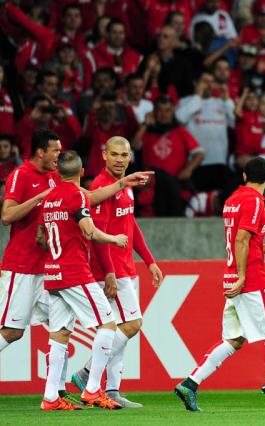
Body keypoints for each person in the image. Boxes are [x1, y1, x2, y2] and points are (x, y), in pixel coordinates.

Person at [174, 157, 265, 412]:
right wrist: (243, 276)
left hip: (234, 278)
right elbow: (241, 240)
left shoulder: (232, 200)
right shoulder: (255, 201)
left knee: (234, 339)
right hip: (250, 280)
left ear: (245, 176)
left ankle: (190, 384)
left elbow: (247, 242)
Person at [0, 129, 152, 354]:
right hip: (22, 266)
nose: (60, 156)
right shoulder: (20, 175)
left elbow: (88, 197)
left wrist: (124, 182)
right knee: (13, 331)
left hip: (49, 267)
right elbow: (6, 216)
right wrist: (39, 198)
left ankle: (56, 389)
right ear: (41, 152)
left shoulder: (55, 177)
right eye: (56, 151)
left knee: (62, 330)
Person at [69, 137, 165, 408]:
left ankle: (112, 391)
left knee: (120, 330)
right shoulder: (102, 186)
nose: (120, 159)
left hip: (125, 267)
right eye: (114, 154)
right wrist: (109, 273)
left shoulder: (127, 185)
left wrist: (149, 261)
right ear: (104, 155)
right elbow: (98, 235)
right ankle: (87, 373)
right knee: (132, 324)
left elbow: (129, 226)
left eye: (124, 154)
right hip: (110, 270)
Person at [37, 150, 128, 411]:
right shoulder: (76, 194)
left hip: (52, 273)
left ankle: (51, 397)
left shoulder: (49, 198)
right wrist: (114, 239)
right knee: (108, 324)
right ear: (81, 173)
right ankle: (92, 390)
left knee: (60, 334)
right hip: (74, 272)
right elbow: (89, 231)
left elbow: (41, 238)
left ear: (57, 172)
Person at [134, 96, 204, 216]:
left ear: (172, 112)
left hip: (175, 184)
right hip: (152, 187)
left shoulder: (180, 131)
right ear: (154, 112)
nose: (163, 114)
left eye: (167, 110)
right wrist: (145, 124)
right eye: (160, 110)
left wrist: (188, 170)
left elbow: (199, 153)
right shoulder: (147, 132)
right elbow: (134, 146)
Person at [175, 70, 234, 193]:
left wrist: (227, 99)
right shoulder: (186, 102)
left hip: (219, 162)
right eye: (205, 81)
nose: (208, 85)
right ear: (195, 83)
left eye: (211, 82)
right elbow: (180, 118)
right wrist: (197, 96)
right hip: (197, 164)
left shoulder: (221, 103)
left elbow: (234, 122)